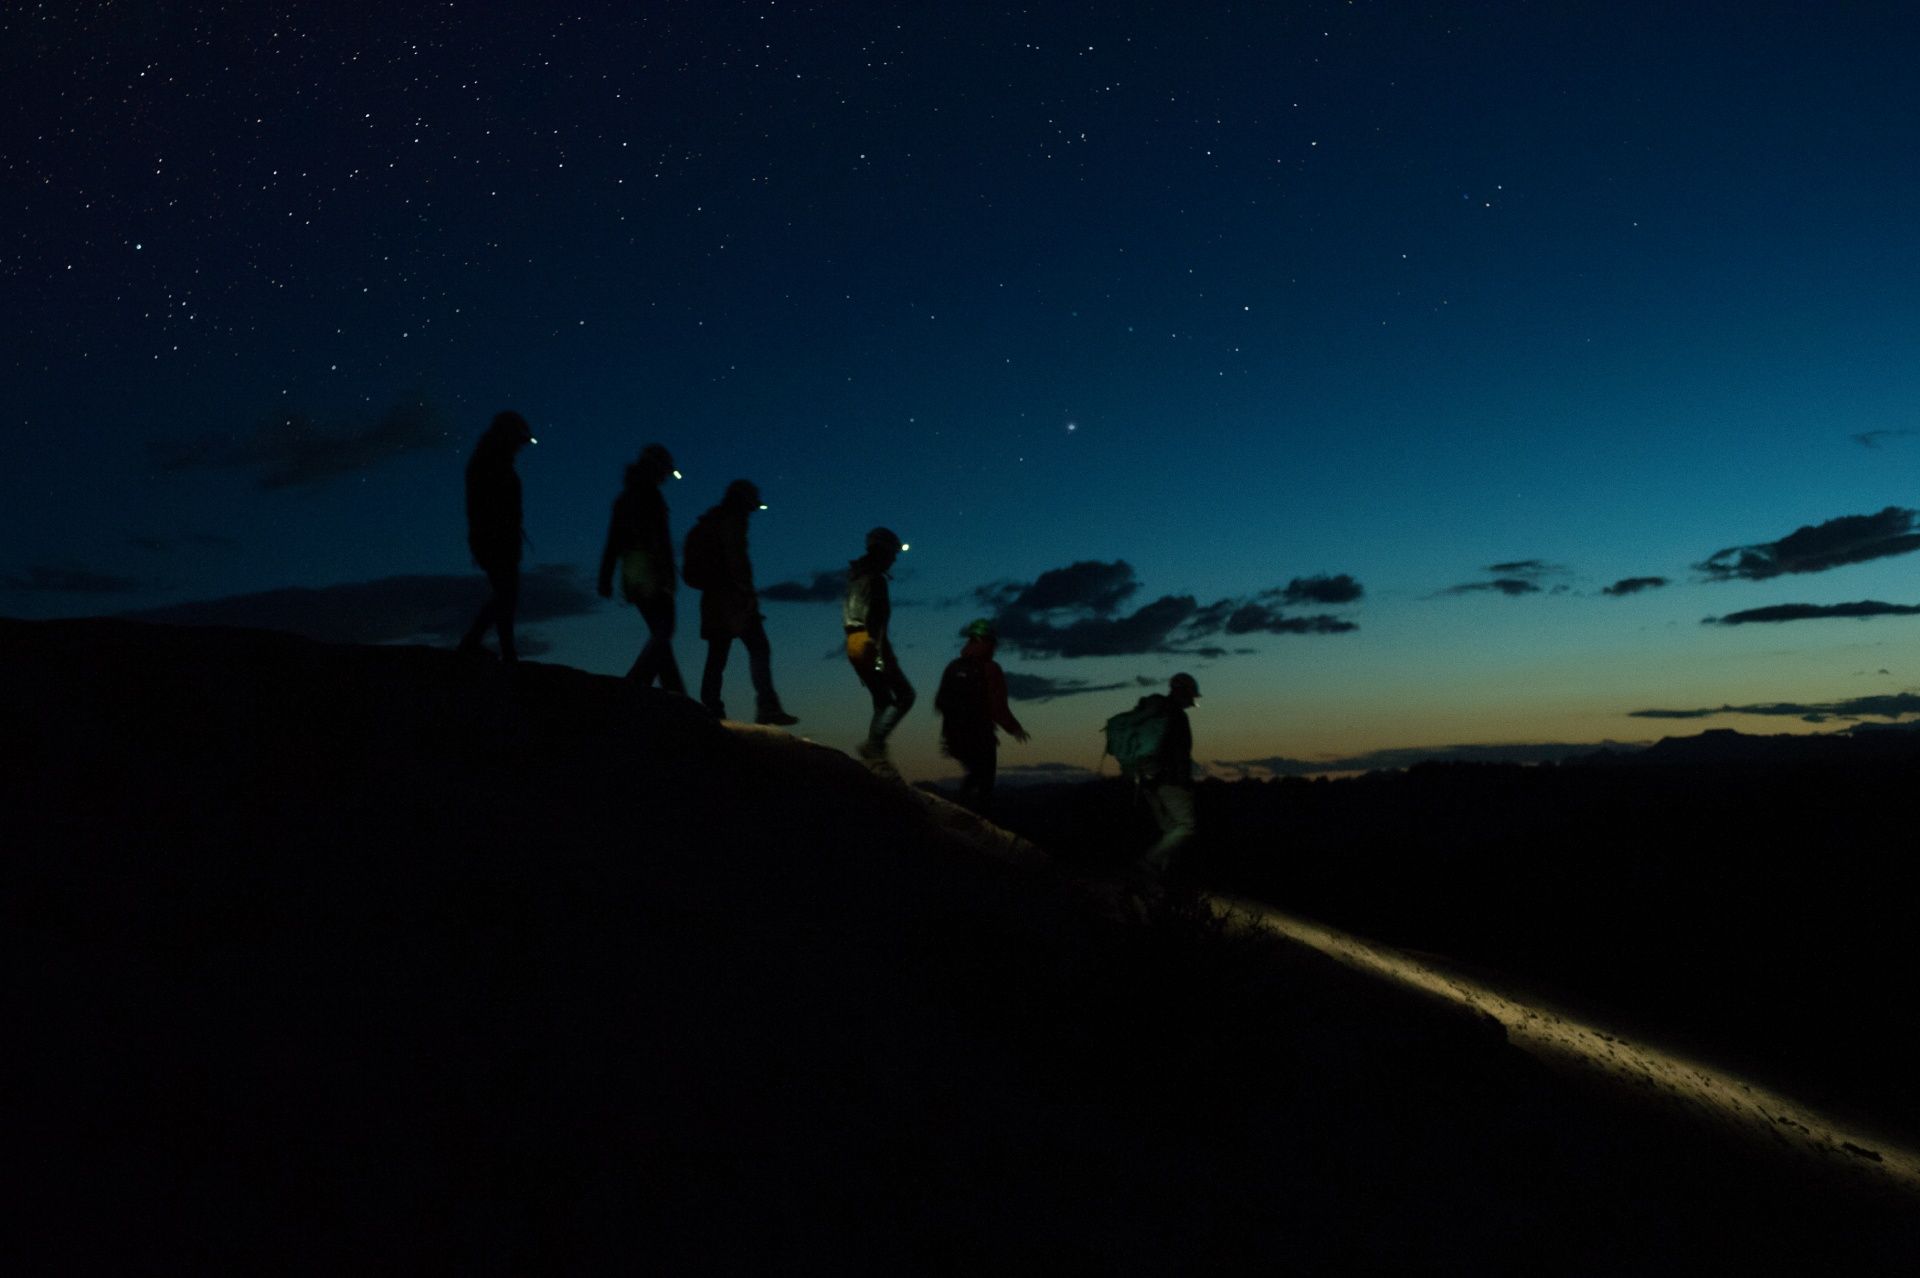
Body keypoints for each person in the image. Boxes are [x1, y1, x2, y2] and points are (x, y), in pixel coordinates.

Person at [690, 479, 798, 725]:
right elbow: (736, 561)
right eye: (751, 506)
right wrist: (747, 595)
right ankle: (765, 707)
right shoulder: (732, 522)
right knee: (756, 648)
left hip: (715, 599)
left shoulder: (712, 521)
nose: (752, 511)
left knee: (718, 654)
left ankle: (713, 708)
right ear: (743, 502)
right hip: (733, 599)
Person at [596, 443, 685, 693]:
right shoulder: (649, 496)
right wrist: (667, 571)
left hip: (633, 572)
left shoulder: (626, 497)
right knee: (664, 630)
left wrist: (605, 576)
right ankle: (636, 681)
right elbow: (660, 539)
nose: (666, 477)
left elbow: (613, 540)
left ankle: (674, 691)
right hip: (652, 571)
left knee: (661, 633)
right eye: (665, 471)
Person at [458, 410, 535, 662]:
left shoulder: (490, 459)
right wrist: (494, 534)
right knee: (506, 593)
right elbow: (487, 506)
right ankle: (485, 645)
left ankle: (497, 647)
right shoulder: (491, 462)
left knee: (506, 593)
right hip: (495, 539)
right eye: (518, 440)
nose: (520, 447)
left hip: (496, 538)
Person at [933, 618, 1028, 810]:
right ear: (983, 641)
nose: (994, 648)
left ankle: (961, 813)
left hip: (954, 738)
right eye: (992, 643)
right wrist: (1015, 728)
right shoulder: (990, 669)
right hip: (980, 737)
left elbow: (939, 703)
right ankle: (974, 822)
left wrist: (951, 731)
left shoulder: (953, 667)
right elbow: (998, 707)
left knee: (975, 774)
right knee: (984, 783)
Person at [843, 527, 914, 773]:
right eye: (892, 553)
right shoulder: (875, 580)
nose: (894, 559)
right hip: (870, 643)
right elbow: (874, 619)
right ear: (883, 552)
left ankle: (874, 752)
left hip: (853, 643)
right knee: (905, 695)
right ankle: (874, 746)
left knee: (882, 700)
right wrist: (880, 655)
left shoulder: (855, 576)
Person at [1116, 672, 1200, 880]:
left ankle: (1159, 876)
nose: (1192, 701)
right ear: (1184, 693)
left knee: (1169, 829)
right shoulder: (1176, 716)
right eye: (1191, 696)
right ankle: (1148, 864)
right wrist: (1184, 783)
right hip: (1168, 780)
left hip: (1147, 779)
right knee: (1185, 826)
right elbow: (1180, 753)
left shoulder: (1156, 713)